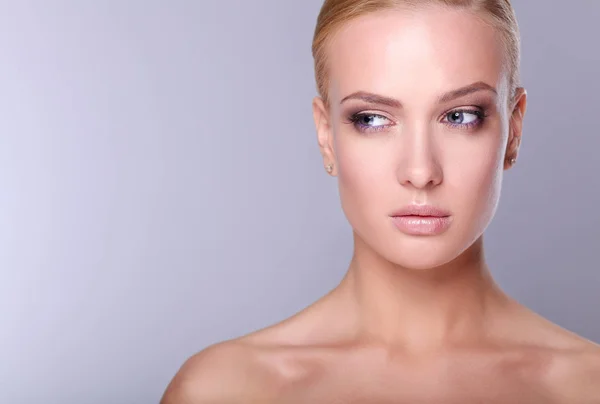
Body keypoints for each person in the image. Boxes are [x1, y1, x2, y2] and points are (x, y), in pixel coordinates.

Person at [161, 0, 600, 402]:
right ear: (326, 135)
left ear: (514, 129)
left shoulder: (586, 385)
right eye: (372, 119)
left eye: (460, 116)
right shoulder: (224, 390)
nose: (420, 171)